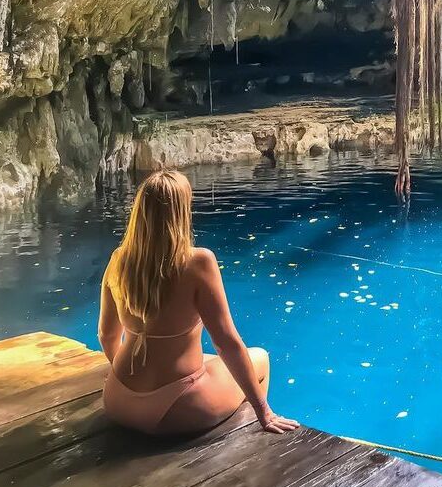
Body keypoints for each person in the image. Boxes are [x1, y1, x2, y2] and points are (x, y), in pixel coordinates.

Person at [97, 168, 299, 436]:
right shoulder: (197, 262)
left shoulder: (119, 258)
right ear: (181, 212)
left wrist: (129, 383)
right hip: (176, 408)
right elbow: (226, 341)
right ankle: (255, 431)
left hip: (119, 399)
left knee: (210, 362)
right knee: (259, 357)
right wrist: (264, 410)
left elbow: (107, 335)